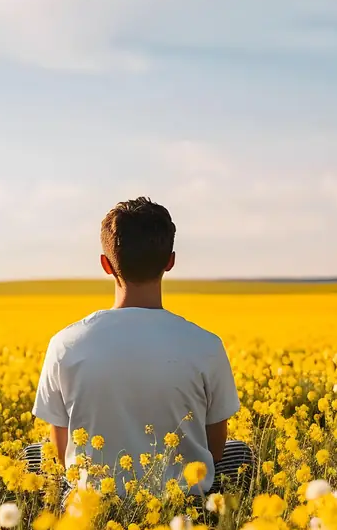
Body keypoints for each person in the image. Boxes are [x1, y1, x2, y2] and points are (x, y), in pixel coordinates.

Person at [24, 198, 254, 497]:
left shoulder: (65, 344)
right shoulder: (206, 345)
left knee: (33, 456)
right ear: (170, 261)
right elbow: (216, 449)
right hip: (183, 507)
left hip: (91, 508)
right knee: (240, 453)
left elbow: (60, 449)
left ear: (106, 265)